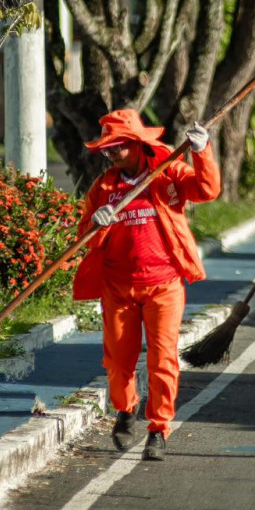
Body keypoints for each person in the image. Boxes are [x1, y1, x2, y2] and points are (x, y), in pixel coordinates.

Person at [72, 109, 219, 461]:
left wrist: (203, 152)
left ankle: (158, 428)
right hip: (118, 288)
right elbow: (85, 239)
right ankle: (126, 410)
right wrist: (97, 221)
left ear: (137, 144)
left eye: (118, 147)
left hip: (164, 285)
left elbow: (207, 190)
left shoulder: (168, 172)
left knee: (162, 359)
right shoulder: (104, 187)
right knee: (119, 362)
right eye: (107, 150)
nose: (113, 155)